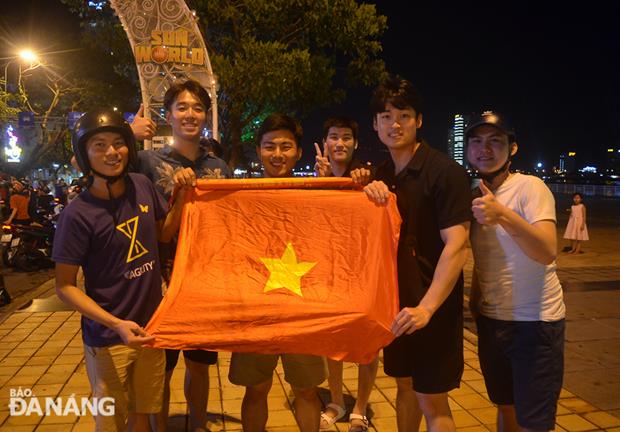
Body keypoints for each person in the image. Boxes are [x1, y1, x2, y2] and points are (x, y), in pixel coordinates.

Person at [53, 109, 189, 432]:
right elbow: (65, 286)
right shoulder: (77, 215)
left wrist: (181, 197)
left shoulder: (141, 185)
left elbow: (164, 234)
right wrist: (116, 324)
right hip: (108, 337)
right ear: (85, 154)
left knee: (143, 412)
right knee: (113, 420)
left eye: (118, 143)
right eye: (99, 145)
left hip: (149, 329)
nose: (111, 153)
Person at [362, 76, 471, 432]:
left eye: (404, 115)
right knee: (404, 386)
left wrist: (427, 308)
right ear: (375, 124)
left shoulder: (445, 172)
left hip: (432, 309)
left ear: (419, 120)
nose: (395, 125)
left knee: (433, 401)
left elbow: (457, 245)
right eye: (386, 117)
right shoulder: (381, 175)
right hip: (397, 309)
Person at [138, 79, 231, 432]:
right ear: (168, 115)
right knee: (161, 365)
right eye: (182, 107)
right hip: (158, 282)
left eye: (197, 108)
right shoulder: (147, 161)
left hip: (203, 282)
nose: (190, 114)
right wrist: (128, 132)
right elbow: (88, 160)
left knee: (199, 364)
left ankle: (198, 425)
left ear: (205, 115)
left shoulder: (218, 167)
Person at [228, 113, 328, 432]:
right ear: (258, 151)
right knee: (256, 389)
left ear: (298, 152)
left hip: (303, 310)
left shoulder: (316, 195)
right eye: (269, 146)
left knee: (307, 390)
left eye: (286, 147)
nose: (277, 154)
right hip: (256, 310)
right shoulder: (241, 197)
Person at [466, 111, 565, 432]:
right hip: (493, 323)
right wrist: (476, 305)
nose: (485, 149)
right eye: (477, 141)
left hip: (535, 324)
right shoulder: (474, 194)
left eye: (496, 141)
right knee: (504, 407)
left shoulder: (530, 188)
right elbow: (485, 259)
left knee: (533, 423)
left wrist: (502, 214)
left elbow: (547, 250)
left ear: (513, 148)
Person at [313, 116, 377, 431]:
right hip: (329, 272)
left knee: (367, 342)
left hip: (363, 272)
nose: (340, 143)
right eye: (334, 137)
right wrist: (319, 181)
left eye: (346, 137)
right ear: (325, 143)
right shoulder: (318, 178)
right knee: (333, 342)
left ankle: (361, 407)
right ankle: (337, 401)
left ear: (355, 143)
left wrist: (366, 183)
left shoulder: (366, 175)